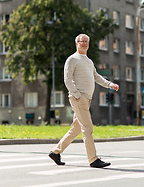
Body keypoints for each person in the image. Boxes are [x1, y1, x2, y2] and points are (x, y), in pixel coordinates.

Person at [49, 34, 119, 168]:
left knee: (76, 129)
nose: (84, 43)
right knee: (88, 128)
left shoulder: (88, 61)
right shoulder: (72, 59)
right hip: (78, 98)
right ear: (76, 43)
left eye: (86, 41)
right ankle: (93, 159)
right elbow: (67, 79)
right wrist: (76, 95)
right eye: (82, 41)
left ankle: (55, 152)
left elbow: (96, 77)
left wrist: (110, 85)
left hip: (86, 99)